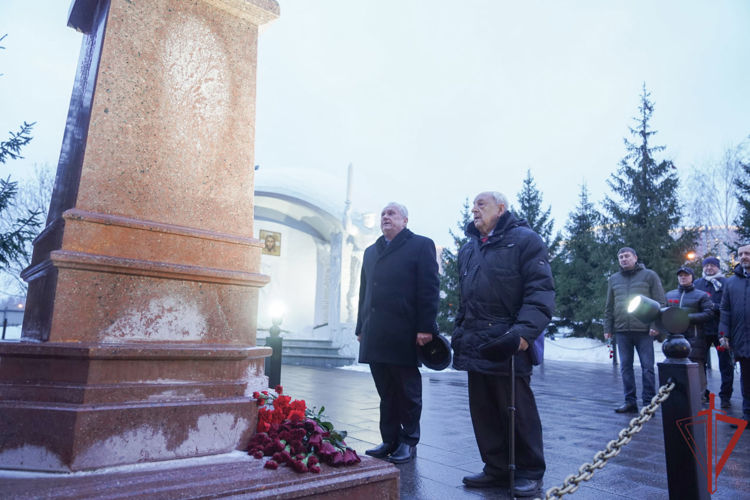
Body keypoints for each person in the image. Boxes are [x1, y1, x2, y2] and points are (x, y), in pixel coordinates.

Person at [451, 191, 554, 497]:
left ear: (501, 208)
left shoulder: (526, 240)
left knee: (516, 409)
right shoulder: (468, 249)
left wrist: (523, 334)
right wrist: (458, 332)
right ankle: (496, 468)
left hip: (508, 340)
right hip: (474, 341)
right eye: (472, 205)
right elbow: (465, 297)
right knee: (482, 410)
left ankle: (531, 469)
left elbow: (541, 292)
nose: (474, 209)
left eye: (481, 204)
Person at [355, 202, 440, 463]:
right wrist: (361, 327)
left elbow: (429, 288)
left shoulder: (420, 245)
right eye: (383, 214)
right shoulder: (371, 251)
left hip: (404, 333)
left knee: (407, 392)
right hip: (375, 333)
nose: (385, 217)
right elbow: (364, 292)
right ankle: (389, 439)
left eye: (391, 213)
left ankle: (408, 441)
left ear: (405, 220)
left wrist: (425, 327)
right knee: (386, 392)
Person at [604, 247, 666, 414]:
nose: (624, 259)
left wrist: (655, 325)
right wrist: (607, 328)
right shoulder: (614, 279)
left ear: (635, 257)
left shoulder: (649, 275)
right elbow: (609, 305)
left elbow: (660, 302)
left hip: (644, 330)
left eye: (627, 256)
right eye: (621, 257)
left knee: (647, 367)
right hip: (622, 330)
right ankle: (630, 401)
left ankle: (648, 403)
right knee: (625, 367)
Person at [665, 267, 713, 402]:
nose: (683, 277)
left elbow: (709, 314)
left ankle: (700, 398)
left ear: (692, 277)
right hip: (674, 337)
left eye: (686, 275)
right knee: (675, 366)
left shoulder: (702, 295)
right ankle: (679, 397)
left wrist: (686, 317)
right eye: (680, 275)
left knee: (696, 367)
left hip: (695, 336)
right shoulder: (670, 295)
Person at [694, 257, 733, 408]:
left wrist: (712, 307)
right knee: (699, 363)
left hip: (721, 330)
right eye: (706, 265)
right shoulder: (697, 283)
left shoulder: (726, 283)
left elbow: (727, 305)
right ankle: (702, 393)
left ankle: (725, 395)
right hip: (702, 330)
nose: (709, 268)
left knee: (725, 364)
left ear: (717, 267)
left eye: (712, 265)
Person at [719, 243, 750, 429]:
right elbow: (725, 310)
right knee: (746, 380)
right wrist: (724, 334)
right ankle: (748, 415)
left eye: (747, 253)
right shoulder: (730, 283)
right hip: (742, 339)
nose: (744, 256)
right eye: (741, 254)